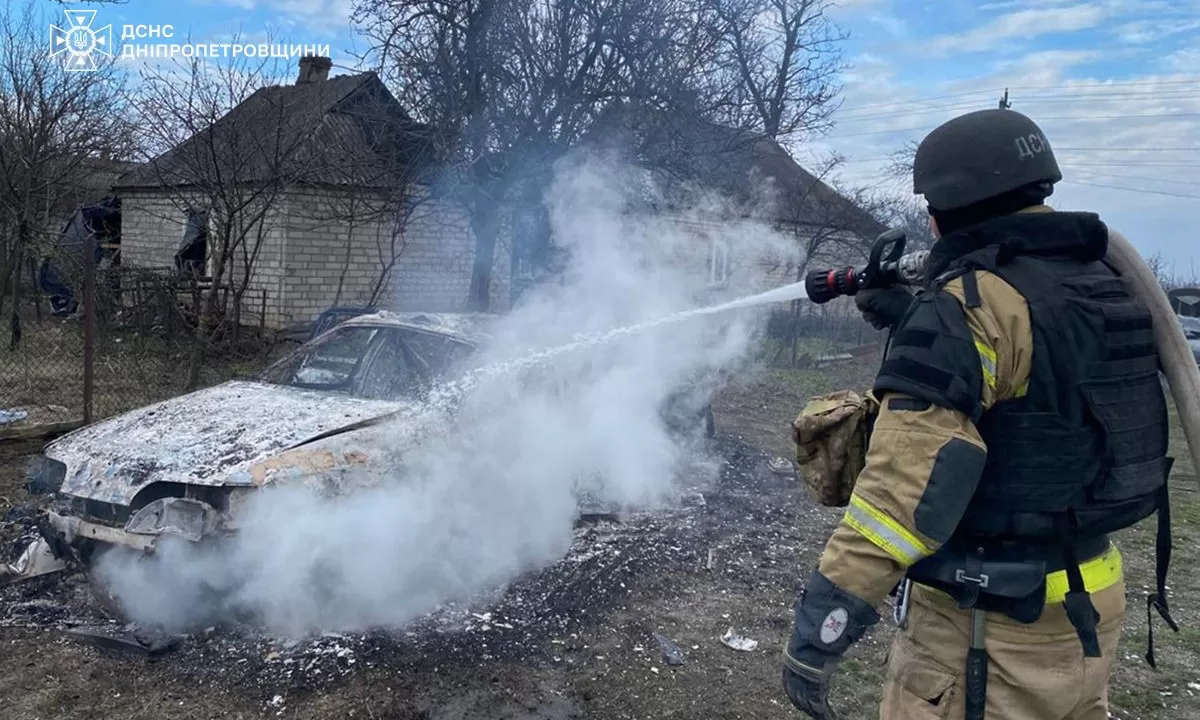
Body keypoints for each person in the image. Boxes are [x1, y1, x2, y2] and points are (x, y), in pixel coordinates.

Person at [780, 107, 1179, 719]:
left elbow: (900, 494)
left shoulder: (969, 306)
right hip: (1089, 608)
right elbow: (1043, 385)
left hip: (987, 632)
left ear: (948, 207)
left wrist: (820, 629)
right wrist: (914, 320)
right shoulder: (1101, 280)